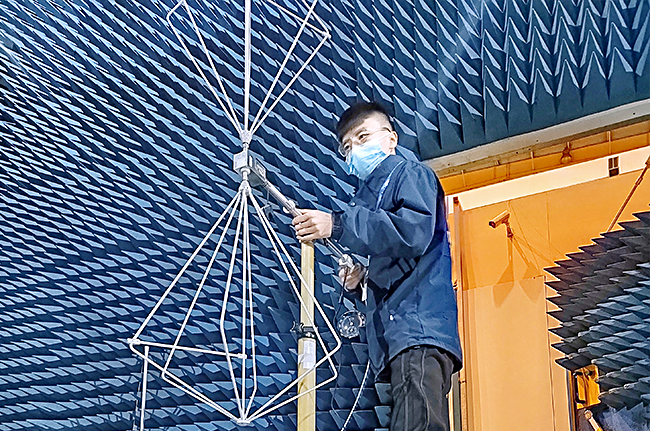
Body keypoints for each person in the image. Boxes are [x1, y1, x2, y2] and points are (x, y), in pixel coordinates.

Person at [292, 101, 462, 431]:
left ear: (391, 138)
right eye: (347, 147)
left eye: (363, 137)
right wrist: (363, 282)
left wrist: (337, 224)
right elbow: (400, 262)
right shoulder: (374, 197)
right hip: (398, 340)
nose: (355, 150)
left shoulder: (410, 174)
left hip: (418, 333)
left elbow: (412, 233)